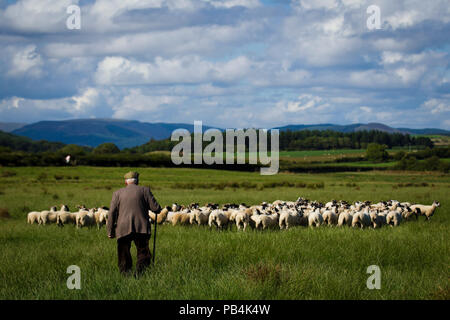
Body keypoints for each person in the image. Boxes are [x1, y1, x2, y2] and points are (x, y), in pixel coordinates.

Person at [107, 171, 162, 277]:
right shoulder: (145, 190)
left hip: (122, 228)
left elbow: (112, 213)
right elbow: (156, 208)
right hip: (141, 227)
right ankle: (140, 274)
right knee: (143, 252)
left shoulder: (117, 193)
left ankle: (125, 275)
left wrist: (110, 231)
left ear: (125, 182)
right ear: (137, 181)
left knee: (123, 252)